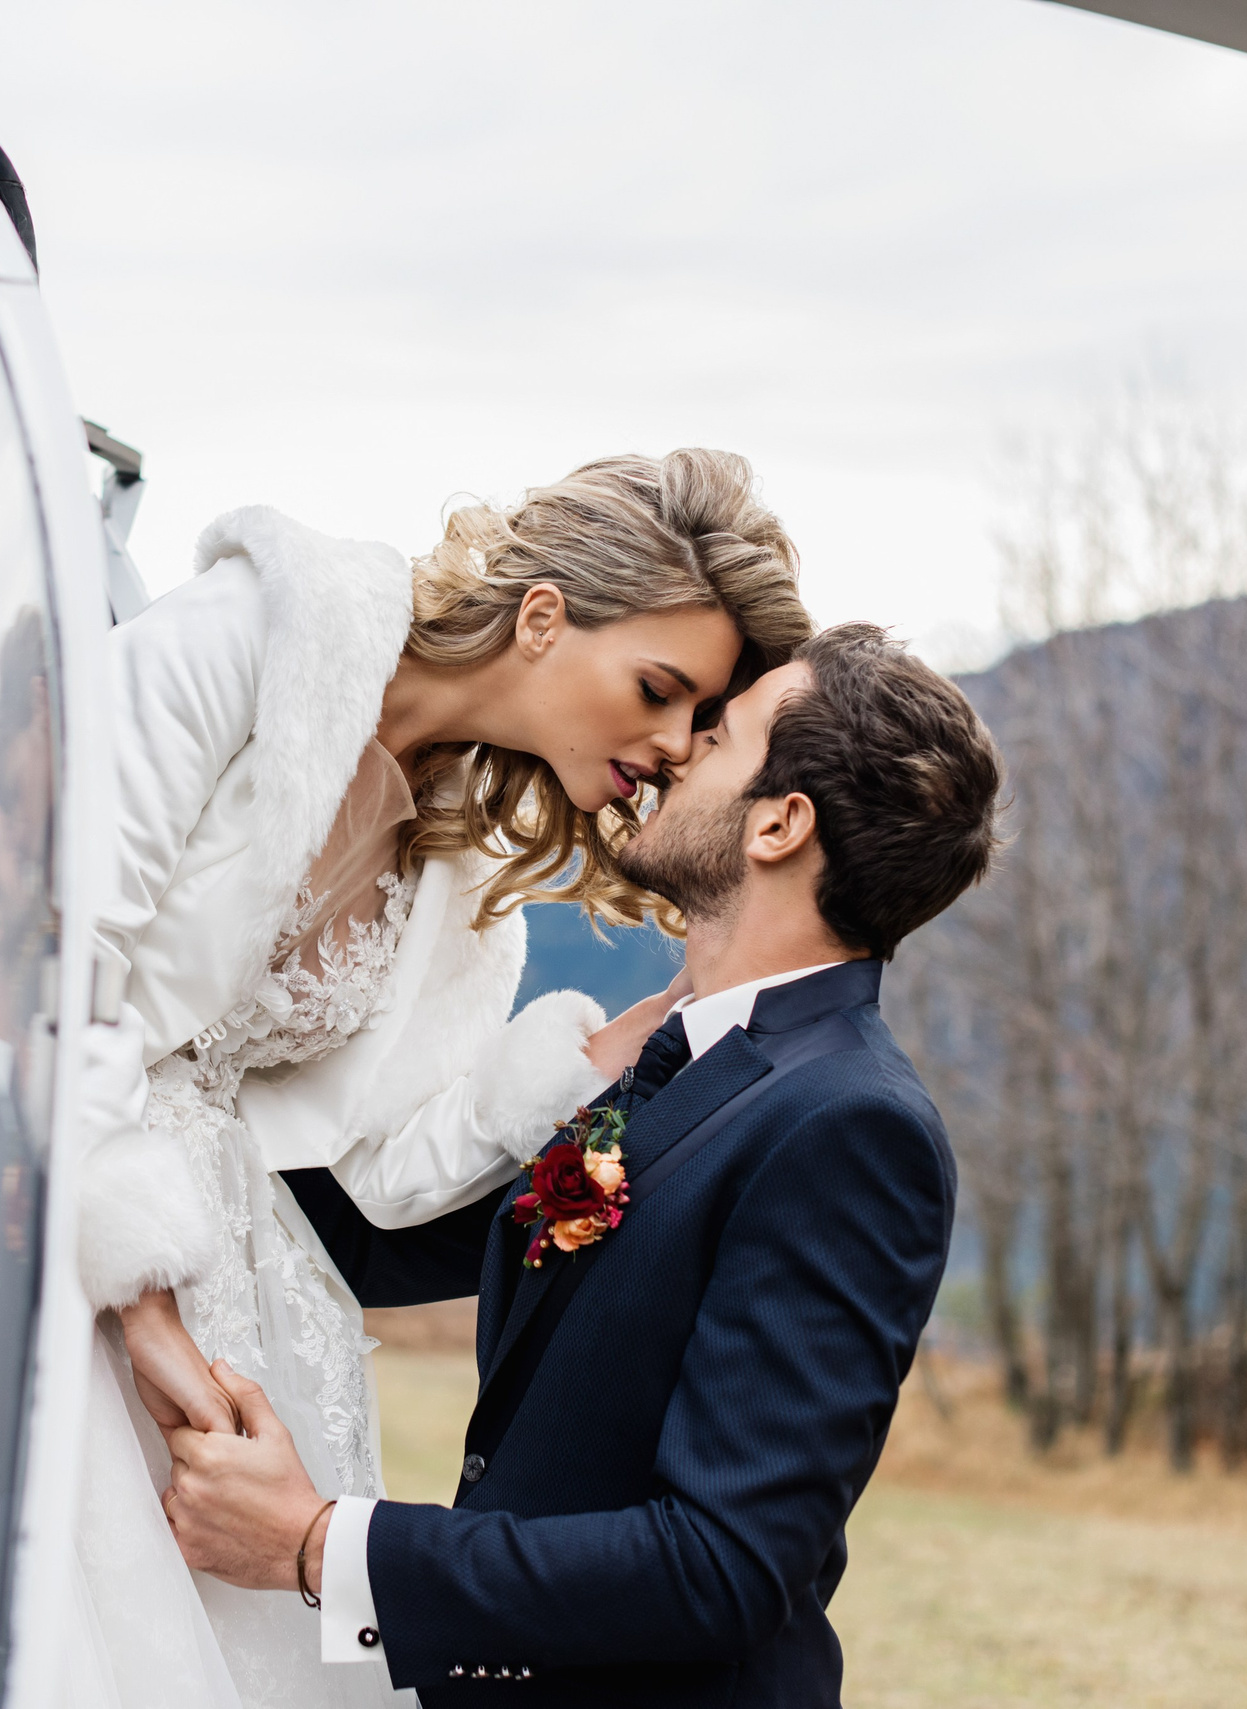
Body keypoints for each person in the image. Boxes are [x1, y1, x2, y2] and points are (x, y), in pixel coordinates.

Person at [0, 450, 812, 1709]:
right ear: (544, 615)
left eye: (694, 722)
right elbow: (44, 947)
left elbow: (384, 1163)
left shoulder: (461, 869)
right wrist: (146, 1312)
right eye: (660, 689)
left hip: (209, 1246)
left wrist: (630, 1032)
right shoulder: (258, 633)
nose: (666, 744)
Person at [158, 623, 1005, 1708]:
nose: (675, 752)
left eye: (721, 737)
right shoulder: (676, 1062)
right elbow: (370, 1246)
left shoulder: (846, 1124)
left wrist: (322, 1543)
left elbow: (721, 1565)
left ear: (780, 822)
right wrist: (165, 1083)